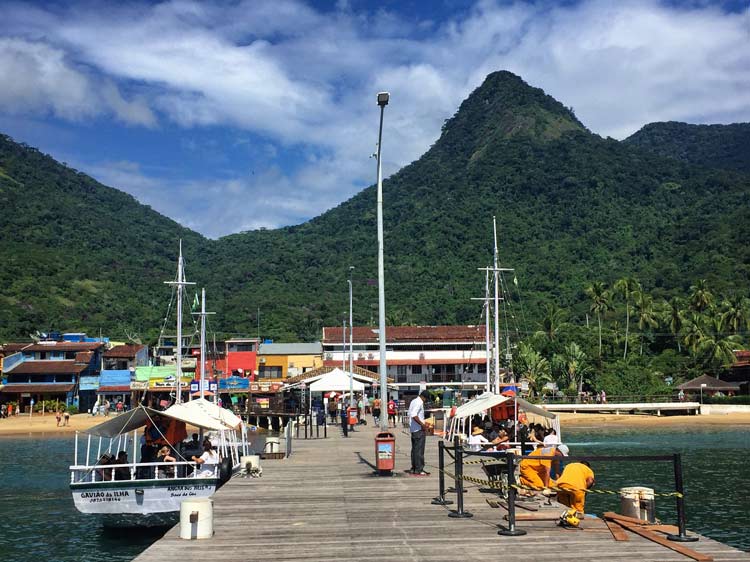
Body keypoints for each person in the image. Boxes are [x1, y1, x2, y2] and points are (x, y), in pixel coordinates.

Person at [556, 460, 596, 527]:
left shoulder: (570, 465)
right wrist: (586, 489)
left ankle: (565, 520)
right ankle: (575, 523)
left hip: (561, 485)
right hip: (576, 487)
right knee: (578, 509)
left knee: (566, 507)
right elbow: (590, 481)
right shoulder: (588, 470)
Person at [408, 390, 431, 476]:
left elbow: (410, 413)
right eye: (426, 399)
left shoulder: (413, 401)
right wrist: (422, 425)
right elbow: (414, 415)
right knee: (419, 450)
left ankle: (413, 468)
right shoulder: (419, 402)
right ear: (424, 397)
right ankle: (419, 469)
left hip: (413, 429)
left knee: (414, 450)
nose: (426, 401)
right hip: (419, 430)